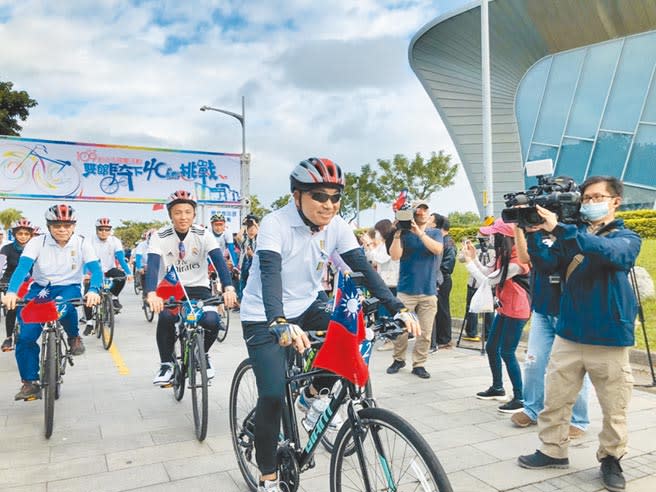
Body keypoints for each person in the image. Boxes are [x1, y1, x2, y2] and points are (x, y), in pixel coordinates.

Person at [239, 157, 420, 492]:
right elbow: (269, 275)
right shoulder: (274, 223)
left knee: (353, 337)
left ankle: (312, 394)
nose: (329, 204)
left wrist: (396, 308)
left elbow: (362, 268)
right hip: (264, 312)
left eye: (335, 197)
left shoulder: (337, 226)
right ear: (297, 197)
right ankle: (267, 476)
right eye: (319, 196)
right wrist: (278, 321)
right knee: (274, 394)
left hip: (308, 305)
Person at [518, 176, 641, 492]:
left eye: (596, 197)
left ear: (615, 200)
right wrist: (532, 233)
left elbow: (613, 256)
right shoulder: (573, 235)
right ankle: (551, 450)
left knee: (614, 406)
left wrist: (561, 228)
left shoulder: (626, 236)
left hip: (609, 336)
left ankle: (611, 460)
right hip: (569, 331)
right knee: (556, 398)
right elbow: (547, 265)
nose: (589, 203)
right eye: (585, 198)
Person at [2, 204, 102, 401]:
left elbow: (96, 270)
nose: (62, 229)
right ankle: (30, 382)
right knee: (26, 336)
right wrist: (12, 292)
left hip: (69, 287)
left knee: (61, 308)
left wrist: (93, 290)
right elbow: (22, 269)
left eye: (67, 225)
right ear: (48, 226)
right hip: (41, 289)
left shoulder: (82, 243)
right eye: (57, 225)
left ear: (74, 226)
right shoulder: (36, 242)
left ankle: (74, 337)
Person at [145, 190, 237, 384]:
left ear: (194, 214)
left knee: (212, 320)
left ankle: (202, 355)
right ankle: (166, 364)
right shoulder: (159, 236)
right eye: (178, 212)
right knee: (167, 317)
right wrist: (151, 294)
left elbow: (219, 262)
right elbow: (152, 265)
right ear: (170, 214)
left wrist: (229, 288)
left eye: (188, 212)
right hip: (171, 287)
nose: (183, 217)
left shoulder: (204, 234)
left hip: (199, 286)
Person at [511, 222, 590, 438]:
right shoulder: (536, 233)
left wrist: (556, 226)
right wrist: (521, 226)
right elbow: (526, 259)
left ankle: (578, 419)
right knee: (533, 362)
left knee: (575, 367)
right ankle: (532, 409)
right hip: (542, 310)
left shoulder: (575, 229)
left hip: (570, 311)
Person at [462, 218, 531, 413]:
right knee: (492, 347)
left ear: (504, 237)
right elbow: (487, 272)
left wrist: (468, 263)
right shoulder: (504, 255)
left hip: (518, 309)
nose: (490, 237)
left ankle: (520, 397)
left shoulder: (518, 262)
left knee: (507, 351)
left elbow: (488, 281)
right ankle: (498, 388)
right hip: (504, 307)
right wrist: (474, 258)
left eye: (494, 233)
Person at [386, 199, 443, 379]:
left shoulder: (435, 232)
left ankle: (419, 364)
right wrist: (397, 234)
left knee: (425, 332)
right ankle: (398, 359)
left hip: (428, 290)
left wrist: (419, 233)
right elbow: (395, 256)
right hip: (406, 290)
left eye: (425, 210)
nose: (422, 213)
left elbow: (437, 250)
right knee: (401, 330)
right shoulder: (403, 234)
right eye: (418, 211)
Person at [81, 218, 132, 334]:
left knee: (121, 276)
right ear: (96, 230)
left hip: (108, 269)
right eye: (101, 229)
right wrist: (85, 274)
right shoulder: (88, 241)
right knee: (88, 295)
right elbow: (84, 259)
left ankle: (113, 297)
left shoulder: (115, 241)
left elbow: (120, 257)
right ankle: (89, 322)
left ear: (110, 231)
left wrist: (129, 273)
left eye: (107, 230)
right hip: (92, 271)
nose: (104, 232)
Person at [0, 218, 36, 352]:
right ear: (14, 234)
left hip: (30, 282)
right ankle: (9, 337)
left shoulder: (35, 248)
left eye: (26, 234)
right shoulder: (6, 248)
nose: (23, 237)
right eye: (20, 233)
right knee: (12, 308)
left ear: (30, 235)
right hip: (10, 281)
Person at [431, 214, 456, 351]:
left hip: (443, 279)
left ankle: (445, 339)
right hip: (438, 278)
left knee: (443, 309)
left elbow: (448, 265)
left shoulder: (448, 242)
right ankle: (440, 338)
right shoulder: (442, 241)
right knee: (439, 309)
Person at [237, 213, 259, 298]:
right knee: (243, 284)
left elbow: (262, 235)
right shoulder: (245, 240)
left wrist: (255, 224)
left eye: (253, 228)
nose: (251, 230)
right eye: (249, 228)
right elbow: (238, 237)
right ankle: (242, 301)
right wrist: (244, 225)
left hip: (256, 266)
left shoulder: (259, 240)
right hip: (245, 266)